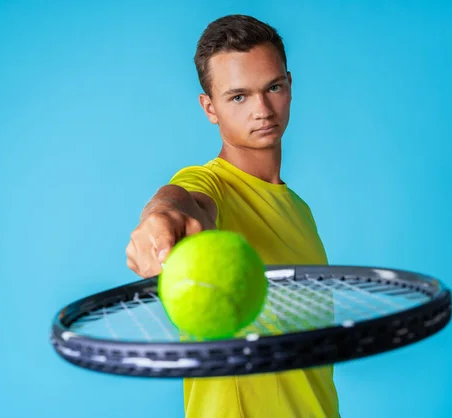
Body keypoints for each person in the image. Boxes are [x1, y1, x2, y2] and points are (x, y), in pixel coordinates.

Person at [125, 14, 339, 418]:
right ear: (210, 107)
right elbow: (184, 199)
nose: (262, 109)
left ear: (289, 87)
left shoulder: (299, 209)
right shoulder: (212, 186)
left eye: (272, 88)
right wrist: (161, 217)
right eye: (238, 97)